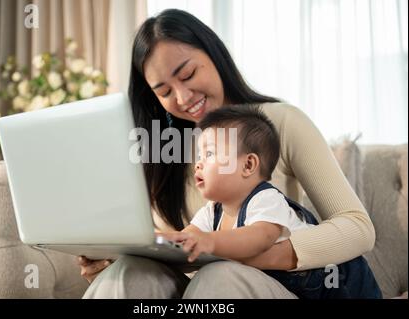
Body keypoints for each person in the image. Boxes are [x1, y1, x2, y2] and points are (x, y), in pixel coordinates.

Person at [79, 9, 377, 299]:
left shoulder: (279, 122)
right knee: (131, 272)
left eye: (188, 74)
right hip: (200, 290)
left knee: (221, 274)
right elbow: (179, 250)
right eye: (165, 92)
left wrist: (257, 256)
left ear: (214, 55)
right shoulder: (162, 149)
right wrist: (110, 266)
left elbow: (357, 227)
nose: (182, 98)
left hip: (266, 285)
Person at [160, 104, 382, 299]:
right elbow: (186, 239)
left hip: (343, 286)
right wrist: (159, 242)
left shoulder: (265, 199)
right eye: (199, 156)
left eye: (209, 154)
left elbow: (260, 239)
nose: (198, 164)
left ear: (248, 165)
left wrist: (209, 242)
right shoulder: (212, 211)